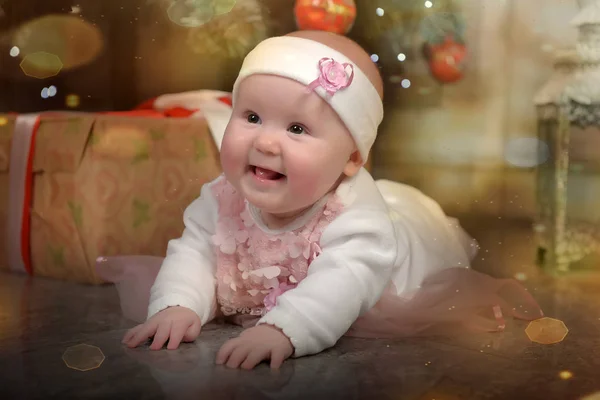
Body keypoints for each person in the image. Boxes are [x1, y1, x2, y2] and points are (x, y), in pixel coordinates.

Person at [99, 30, 542, 370]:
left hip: (392, 271)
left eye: (297, 129)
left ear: (351, 158)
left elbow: (344, 278)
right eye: (251, 117)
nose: (266, 142)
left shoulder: (357, 220)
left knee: (391, 250)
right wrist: (177, 302)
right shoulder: (222, 198)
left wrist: (285, 329)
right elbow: (195, 252)